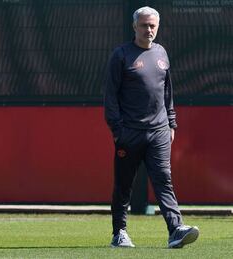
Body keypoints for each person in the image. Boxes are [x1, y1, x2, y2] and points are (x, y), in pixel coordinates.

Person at [104, 6, 199, 248]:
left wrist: (172, 123)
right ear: (134, 27)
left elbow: (167, 92)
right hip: (129, 133)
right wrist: (118, 130)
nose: (149, 30)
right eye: (144, 25)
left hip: (159, 132)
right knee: (124, 185)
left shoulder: (162, 53)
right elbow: (110, 96)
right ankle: (119, 233)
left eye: (153, 25)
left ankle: (176, 229)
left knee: (164, 179)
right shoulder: (121, 55)